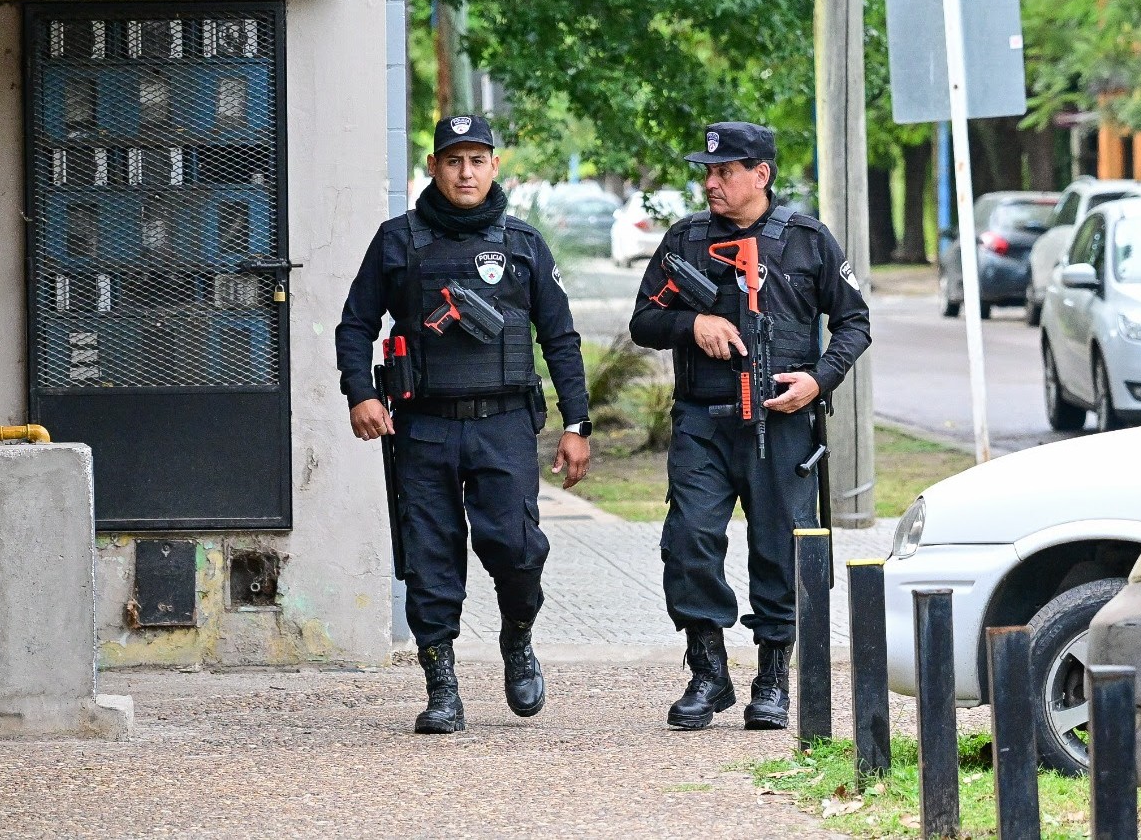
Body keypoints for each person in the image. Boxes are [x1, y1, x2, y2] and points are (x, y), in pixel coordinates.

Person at [336, 115, 592, 734]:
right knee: (429, 556)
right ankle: (441, 684)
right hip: (421, 426)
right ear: (433, 168)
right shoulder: (397, 241)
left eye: (477, 160)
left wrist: (577, 422)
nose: (466, 172)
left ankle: (517, 638)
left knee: (516, 547)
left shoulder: (524, 245)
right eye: (453, 161)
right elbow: (354, 325)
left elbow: (559, 337)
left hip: (504, 424)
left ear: (495, 166)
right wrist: (361, 394)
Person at [630, 121, 871, 731]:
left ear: (760, 175)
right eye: (708, 172)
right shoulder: (684, 241)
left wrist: (818, 380)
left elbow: (854, 324)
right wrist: (692, 326)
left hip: (780, 419)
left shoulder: (807, 240)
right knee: (689, 539)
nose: (711, 182)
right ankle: (708, 670)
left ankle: (772, 675)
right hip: (702, 421)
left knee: (780, 546)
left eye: (725, 172)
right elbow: (643, 321)